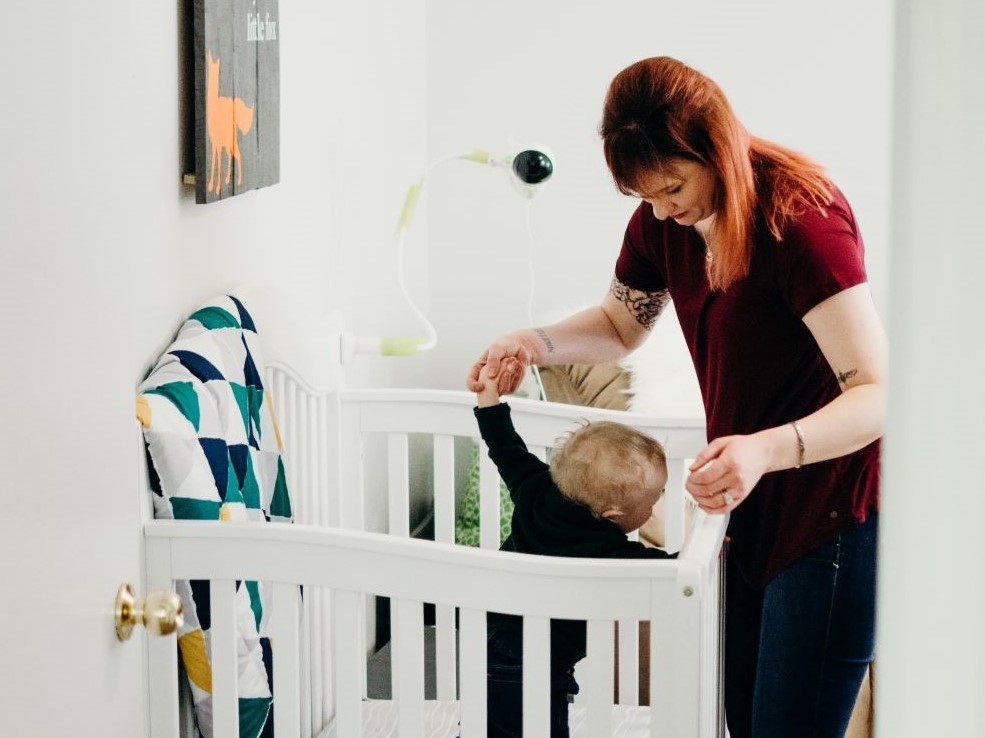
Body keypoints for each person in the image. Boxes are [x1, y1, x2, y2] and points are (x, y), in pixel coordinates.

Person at [467, 56, 886, 738]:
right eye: (644, 196)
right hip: (746, 507)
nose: (661, 209)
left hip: (827, 510)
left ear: (713, 149)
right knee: (743, 718)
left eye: (670, 186)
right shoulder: (659, 223)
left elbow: (874, 395)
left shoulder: (801, 223)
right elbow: (617, 326)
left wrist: (763, 450)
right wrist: (532, 342)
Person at [473, 361, 674, 738]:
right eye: (653, 500)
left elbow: (504, 445)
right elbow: (665, 571)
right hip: (533, 657)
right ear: (613, 514)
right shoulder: (604, 549)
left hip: (495, 632)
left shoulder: (535, 485)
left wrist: (489, 397)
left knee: (503, 718)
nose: (656, 505)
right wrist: (709, 554)